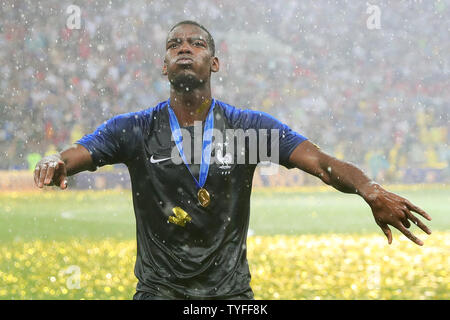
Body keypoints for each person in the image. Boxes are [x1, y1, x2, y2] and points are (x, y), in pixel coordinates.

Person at [34, 20, 432, 300]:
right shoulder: (135, 128)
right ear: (164, 65)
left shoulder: (250, 128)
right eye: (174, 45)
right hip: (158, 292)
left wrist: (369, 189)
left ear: (215, 63)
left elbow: (322, 164)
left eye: (196, 43)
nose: (184, 48)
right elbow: (76, 155)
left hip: (231, 294)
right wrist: (56, 162)